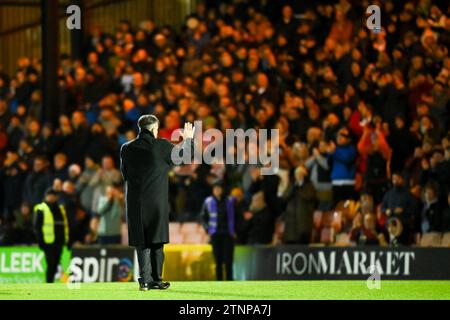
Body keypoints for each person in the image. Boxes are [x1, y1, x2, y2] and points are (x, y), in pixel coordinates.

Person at [120, 114, 194, 291]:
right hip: (157, 201)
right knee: (157, 240)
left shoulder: (126, 148)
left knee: (141, 241)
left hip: (135, 202)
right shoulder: (161, 145)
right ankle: (157, 280)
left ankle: (144, 281)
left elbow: (125, 174)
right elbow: (184, 158)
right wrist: (188, 140)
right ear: (154, 128)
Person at [33, 188, 69, 283]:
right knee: (51, 263)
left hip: (59, 241)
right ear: (46, 196)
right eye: (50, 195)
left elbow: (64, 225)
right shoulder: (41, 208)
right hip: (48, 242)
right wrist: (40, 241)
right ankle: (49, 282)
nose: (52, 198)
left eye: (53, 196)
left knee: (56, 263)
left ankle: (51, 282)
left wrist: (65, 239)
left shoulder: (60, 208)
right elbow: (37, 227)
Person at [201, 182, 236, 281]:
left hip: (228, 234)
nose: (217, 190)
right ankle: (219, 281)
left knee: (228, 260)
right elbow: (203, 217)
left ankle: (230, 281)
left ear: (222, 189)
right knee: (218, 261)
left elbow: (235, 216)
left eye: (219, 188)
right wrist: (207, 229)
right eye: (215, 188)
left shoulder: (229, 201)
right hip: (215, 234)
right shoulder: (208, 201)